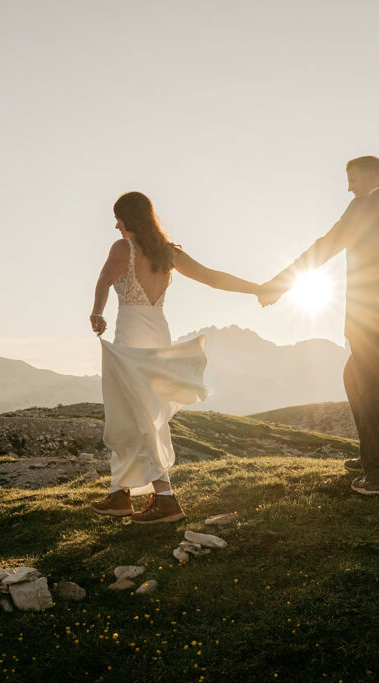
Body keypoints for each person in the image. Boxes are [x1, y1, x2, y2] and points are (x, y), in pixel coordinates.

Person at [89, 191, 259, 523]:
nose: (115, 225)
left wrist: (97, 312)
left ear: (131, 218)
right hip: (158, 333)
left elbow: (104, 280)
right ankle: (120, 495)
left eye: (119, 217)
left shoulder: (123, 249)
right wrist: (258, 288)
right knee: (139, 413)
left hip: (132, 336)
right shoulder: (168, 253)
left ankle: (165, 499)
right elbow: (212, 278)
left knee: (136, 415)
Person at [258, 156, 379, 496]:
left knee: (367, 387)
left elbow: (325, 247)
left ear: (372, 176)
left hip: (367, 313)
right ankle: (370, 458)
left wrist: (279, 285)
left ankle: (376, 475)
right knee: (355, 378)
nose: (348, 187)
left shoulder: (361, 208)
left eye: (353, 179)